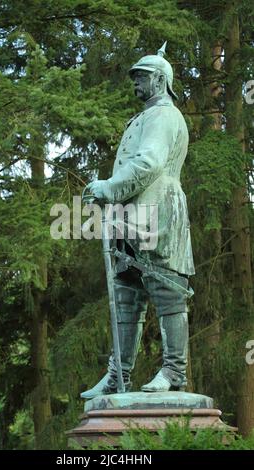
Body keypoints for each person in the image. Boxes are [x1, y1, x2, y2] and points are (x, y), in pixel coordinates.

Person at [81, 42, 195, 399]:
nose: (135, 83)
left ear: (160, 81)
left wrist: (109, 188)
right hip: (130, 215)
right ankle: (118, 374)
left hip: (158, 211)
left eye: (141, 77)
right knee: (126, 294)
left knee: (166, 289)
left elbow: (149, 163)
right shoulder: (144, 116)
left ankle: (174, 371)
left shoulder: (164, 115)